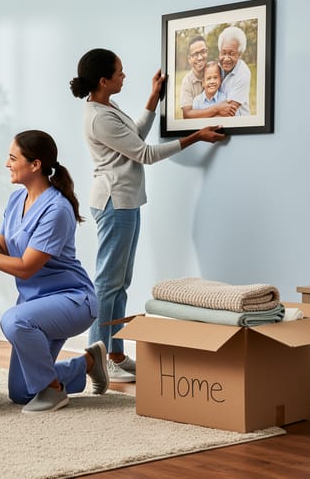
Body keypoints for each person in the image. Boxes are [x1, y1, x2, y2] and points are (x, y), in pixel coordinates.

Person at [69, 48, 225, 382]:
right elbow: (145, 153)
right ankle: (97, 359)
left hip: (126, 201)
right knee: (107, 284)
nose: (124, 76)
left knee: (120, 283)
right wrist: (196, 136)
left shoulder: (107, 107)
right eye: (120, 72)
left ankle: (115, 352)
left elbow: (135, 135)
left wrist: (153, 98)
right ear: (103, 80)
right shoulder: (98, 116)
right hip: (115, 203)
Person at [0, 130, 109, 414]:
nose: (6, 164)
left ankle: (55, 391)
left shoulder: (56, 209)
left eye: (12, 158)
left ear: (35, 165)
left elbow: (25, 268)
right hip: (37, 307)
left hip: (72, 301)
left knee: (13, 321)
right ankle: (88, 363)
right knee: (22, 392)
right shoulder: (15, 200)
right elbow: (3, 247)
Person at [180, 36, 236, 119]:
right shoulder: (187, 81)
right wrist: (217, 108)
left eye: (203, 51)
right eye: (195, 54)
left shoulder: (219, 70)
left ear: (207, 52)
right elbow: (187, 115)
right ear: (189, 59)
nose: (200, 57)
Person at [217, 25, 252, 116]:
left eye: (231, 53)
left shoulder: (243, 73)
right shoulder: (216, 68)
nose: (226, 58)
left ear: (239, 55)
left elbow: (228, 112)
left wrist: (203, 114)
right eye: (223, 53)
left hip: (239, 125)